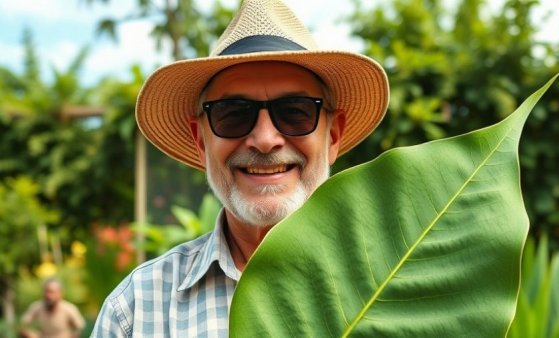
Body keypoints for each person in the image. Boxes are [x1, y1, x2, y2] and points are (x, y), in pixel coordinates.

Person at [91, 0, 389, 336]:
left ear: (333, 136)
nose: (264, 139)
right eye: (233, 113)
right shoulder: (139, 307)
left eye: (295, 111)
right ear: (201, 142)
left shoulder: (395, 282)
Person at [19, 278, 85, 338]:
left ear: (60, 293)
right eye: (46, 292)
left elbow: (80, 328)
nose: (48, 295)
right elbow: (23, 325)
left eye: (51, 292)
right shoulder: (36, 307)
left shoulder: (69, 309)